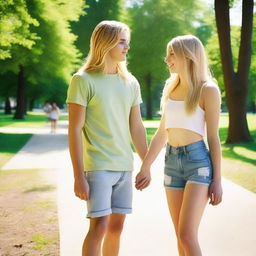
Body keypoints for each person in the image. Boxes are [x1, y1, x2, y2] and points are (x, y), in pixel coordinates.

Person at [136, 35, 223, 256]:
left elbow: (213, 138)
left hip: (198, 164)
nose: (167, 59)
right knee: (179, 237)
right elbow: (161, 133)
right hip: (171, 163)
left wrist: (218, 181)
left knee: (187, 234)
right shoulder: (170, 87)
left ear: (189, 56)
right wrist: (145, 166)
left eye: (172, 54)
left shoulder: (208, 90)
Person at [66, 20, 147, 256]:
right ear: (106, 42)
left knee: (116, 227)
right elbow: (74, 130)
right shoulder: (82, 80)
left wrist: (147, 164)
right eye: (121, 41)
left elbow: (137, 127)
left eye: (127, 42)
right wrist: (78, 176)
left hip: (125, 166)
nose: (126, 47)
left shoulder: (130, 82)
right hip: (98, 167)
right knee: (99, 225)